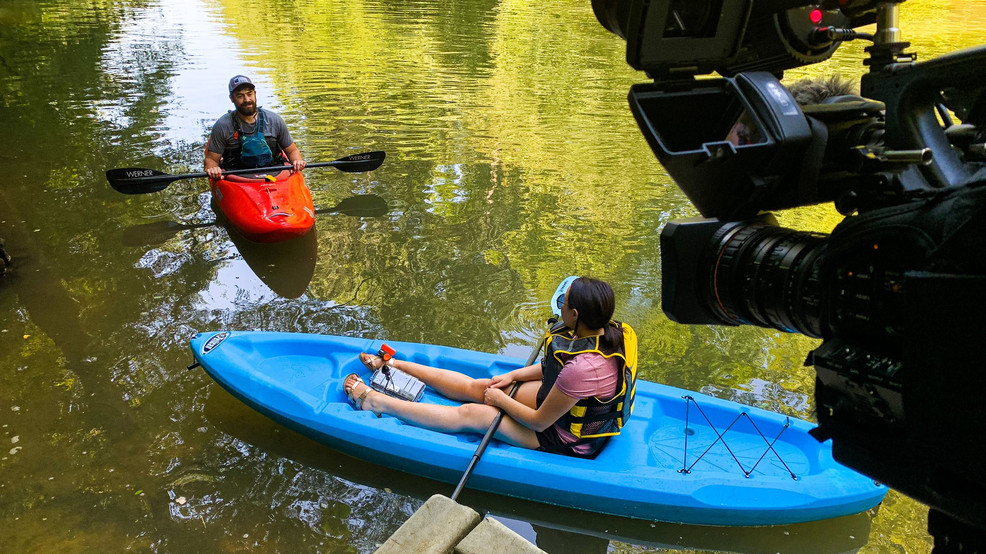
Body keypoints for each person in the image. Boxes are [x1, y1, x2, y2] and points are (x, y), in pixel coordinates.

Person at [343, 277, 638, 458]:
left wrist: (501, 401)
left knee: (476, 414)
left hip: (563, 438)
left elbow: (538, 422)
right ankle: (394, 364)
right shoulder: (603, 331)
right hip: (562, 403)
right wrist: (511, 376)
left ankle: (375, 401)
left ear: (575, 314)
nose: (558, 306)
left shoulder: (585, 369)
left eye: (563, 302)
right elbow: (553, 367)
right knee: (483, 386)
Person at [204, 75, 306, 179]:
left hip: (275, 175)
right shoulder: (222, 126)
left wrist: (296, 161)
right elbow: (211, 160)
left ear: (255, 94)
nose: (247, 100)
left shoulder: (274, 120)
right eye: (240, 96)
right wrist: (213, 169)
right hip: (237, 177)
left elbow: (292, 151)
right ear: (232, 98)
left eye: (249, 94)